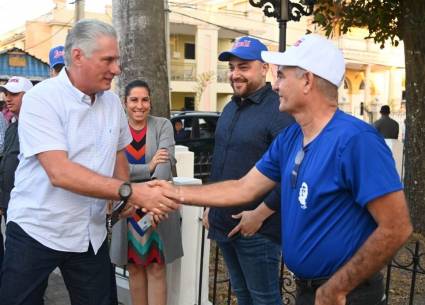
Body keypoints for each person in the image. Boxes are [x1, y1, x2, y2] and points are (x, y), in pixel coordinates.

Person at [151, 34, 413, 305]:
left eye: (282, 76)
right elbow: (243, 187)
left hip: (348, 295)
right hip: (310, 291)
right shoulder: (291, 138)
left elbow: (397, 227)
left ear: (307, 81)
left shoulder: (356, 140)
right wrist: (174, 192)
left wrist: (337, 287)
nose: (275, 86)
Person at [0, 19, 177, 305]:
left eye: (117, 60)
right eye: (108, 60)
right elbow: (60, 172)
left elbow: (119, 156)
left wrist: (126, 204)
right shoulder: (42, 100)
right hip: (37, 230)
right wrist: (130, 191)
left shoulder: (112, 104)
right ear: (78, 56)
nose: (116, 69)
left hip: (89, 235)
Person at [203, 36, 294, 305]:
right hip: (224, 223)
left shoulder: (278, 109)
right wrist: (210, 203)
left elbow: (286, 170)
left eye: (243, 67)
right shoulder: (230, 108)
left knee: (264, 299)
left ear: (264, 68)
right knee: (242, 296)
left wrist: (258, 214)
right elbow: (220, 161)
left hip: (257, 229)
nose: (235, 74)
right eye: (232, 68)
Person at [110, 80, 183, 305]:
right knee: (133, 268)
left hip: (156, 209)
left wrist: (153, 205)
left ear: (150, 102)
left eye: (145, 100)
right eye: (134, 100)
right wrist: (147, 167)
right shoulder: (116, 129)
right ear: (125, 102)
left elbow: (163, 166)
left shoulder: (163, 126)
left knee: (156, 268)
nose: (139, 105)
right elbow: (115, 170)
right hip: (128, 208)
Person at [0, 76, 33, 282]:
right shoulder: (12, 127)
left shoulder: (37, 128)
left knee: (26, 267)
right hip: (9, 204)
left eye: (15, 94)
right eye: (7, 94)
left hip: (27, 209)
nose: (8, 99)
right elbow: (6, 163)